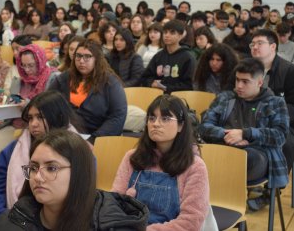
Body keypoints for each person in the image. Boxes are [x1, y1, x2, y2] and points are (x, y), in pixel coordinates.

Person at [0, 129, 149, 230]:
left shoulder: (114, 226)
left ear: (79, 172)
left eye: (52, 168)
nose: (37, 177)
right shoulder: (12, 221)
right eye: (33, 168)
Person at [199, 58, 289, 209]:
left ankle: (223, 204)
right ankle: (213, 204)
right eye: (237, 80)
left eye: (245, 81)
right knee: (192, 153)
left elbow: (280, 136)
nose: (239, 86)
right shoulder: (225, 97)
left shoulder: (275, 102)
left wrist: (245, 134)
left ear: (260, 83)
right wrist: (227, 135)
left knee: (246, 158)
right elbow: (204, 126)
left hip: (257, 155)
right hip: (223, 147)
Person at [112, 95, 209, 230]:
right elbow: (115, 202)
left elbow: (191, 221)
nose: (156, 124)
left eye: (165, 118)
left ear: (180, 126)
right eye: (152, 118)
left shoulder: (194, 166)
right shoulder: (132, 157)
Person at [0, 90, 83, 221]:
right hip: (15, 219)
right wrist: (3, 217)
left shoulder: (79, 150)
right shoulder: (14, 149)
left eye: (40, 117)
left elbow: (82, 193)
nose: (33, 124)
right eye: (30, 118)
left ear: (57, 117)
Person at [48, 40, 127, 143]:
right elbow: (47, 103)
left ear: (97, 60)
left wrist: (93, 139)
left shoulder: (110, 83)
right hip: (63, 136)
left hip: (96, 138)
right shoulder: (64, 78)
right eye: (78, 56)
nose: (81, 61)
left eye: (87, 56)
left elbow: (117, 116)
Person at [250, 29, 294, 174]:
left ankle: (273, 186)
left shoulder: (289, 70)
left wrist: (269, 115)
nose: (254, 47)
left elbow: (292, 105)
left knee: (285, 143)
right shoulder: (245, 68)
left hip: (279, 123)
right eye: (253, 44)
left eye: (260, 43)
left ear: (273, 46)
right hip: (247, 118)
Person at [141, 20, 196, 93]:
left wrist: (166, 87)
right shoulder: (158, 55)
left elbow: (189, 85)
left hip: (178, 98)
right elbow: (145, 77)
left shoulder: (188, 57)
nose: (167, 35)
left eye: (172, 32)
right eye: (165, 32)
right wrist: (151, 83)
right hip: (157, 96)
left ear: (180, 35)